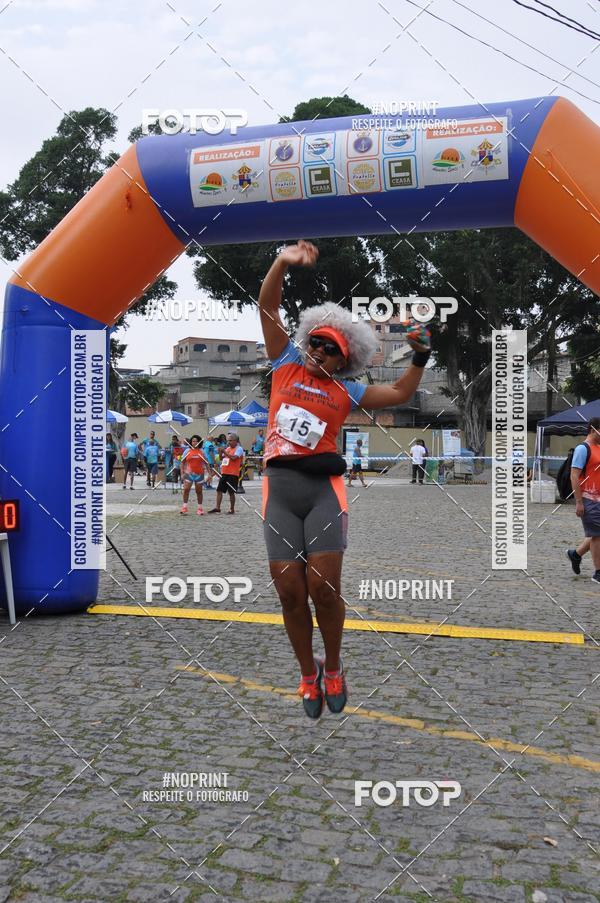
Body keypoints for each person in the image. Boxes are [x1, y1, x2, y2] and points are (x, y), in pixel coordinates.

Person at [258, 240, 430, 719]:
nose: (318, 350)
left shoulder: (347, 390)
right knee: (290, 592)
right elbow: (267, 306)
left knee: (323, 589)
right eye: (314, 341)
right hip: (280, 492)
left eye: (330, 348)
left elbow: (397, 391)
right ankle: (307, 673)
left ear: (343, 359)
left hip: (321, 495)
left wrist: (419, 357)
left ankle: (333, 666)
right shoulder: (284, 365)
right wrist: (282, 261)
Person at [568, 417, 600, 582]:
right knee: (597, 535)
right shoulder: (583, 449)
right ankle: (598, 573)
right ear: (593, 429)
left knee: (597, 533)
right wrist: (579, 502)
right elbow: (574, 475)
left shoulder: (598, 447)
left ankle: (576, 554)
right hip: (589, 498)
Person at [209, 432, 244, 514]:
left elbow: (234, 458)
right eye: (228, 440)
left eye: (231, 440)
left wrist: (224, 451)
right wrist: (220, 452)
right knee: (219, 490)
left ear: (236, 441)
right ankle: (218, 507)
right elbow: (221, 458)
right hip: (225, 472)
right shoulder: (228, 448)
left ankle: (232, 509)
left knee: (231, 492)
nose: (229, 442)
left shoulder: (239, 449)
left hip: (233, 473)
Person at [180, 435, 206, 515]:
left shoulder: (202, 451)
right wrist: (182, 473)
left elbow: (206, 462)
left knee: (199, 491)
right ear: (191, 442)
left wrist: (209, 474)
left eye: (196, 441)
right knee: (186, 489)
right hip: (189, 474)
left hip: (199, 474)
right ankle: (184, 507)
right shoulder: (187, 451)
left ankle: (200, 508)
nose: (194, 443)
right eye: (193, 441)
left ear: (199, 442)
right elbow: (182, 463)